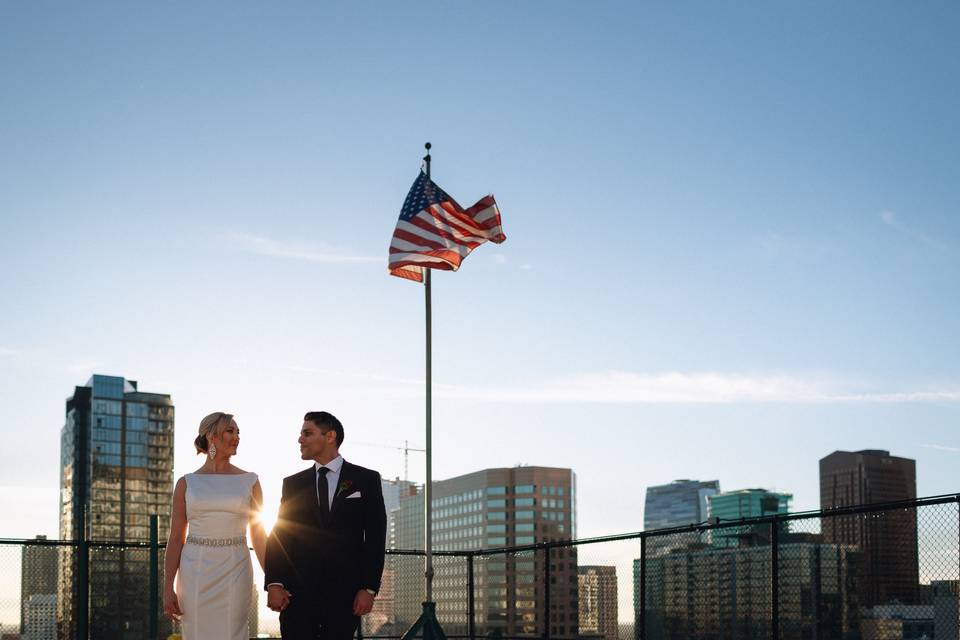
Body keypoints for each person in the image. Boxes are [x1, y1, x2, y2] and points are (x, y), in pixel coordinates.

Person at [264, 411, 387, 640]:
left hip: (345, 596)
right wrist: (274, 583)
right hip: (296, 596)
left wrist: (369, 588)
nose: (300, 439)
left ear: (330, 436)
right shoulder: (293, 484)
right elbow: (280, 535)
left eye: (307, 433)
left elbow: (375, 538)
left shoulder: (366, 479)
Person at [163, 412, 267, 640]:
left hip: (236, 570)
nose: (236, 437)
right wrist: (168, 587)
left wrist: (274, 579)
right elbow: (176, 538)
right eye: (230, 431)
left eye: (238, 432)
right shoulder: (186, 483)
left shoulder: (250, 481)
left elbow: (259, 535)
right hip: (194, 573)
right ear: (211, 436)